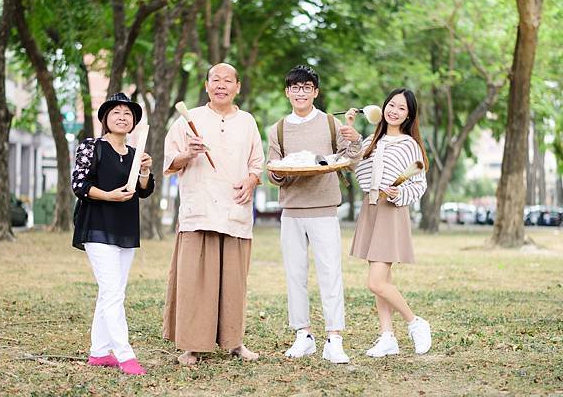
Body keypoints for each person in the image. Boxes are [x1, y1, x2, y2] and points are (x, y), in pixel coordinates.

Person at [162, 63, 264, 365]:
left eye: (227, 80)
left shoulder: (247, 121)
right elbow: (170, 161)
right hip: (200, 210)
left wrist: (251, 180)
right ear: (207, 86)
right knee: (195, 280)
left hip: (235, 210)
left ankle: (234, 342)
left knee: (234, 282)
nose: (221, 85)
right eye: (215, 80)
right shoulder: (188, 120)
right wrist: (188, 153)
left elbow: (256, 163)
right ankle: (192, 346)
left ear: (237, 87)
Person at [266, 65, 363, 364]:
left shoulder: (331, 124)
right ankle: (303, 335)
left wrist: (355, 140)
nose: (300, 92)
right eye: (295, 87)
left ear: (315, 92)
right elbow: (273, 169)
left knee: (330, 273)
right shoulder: (278, 128)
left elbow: (348, 159)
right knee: (295, 274)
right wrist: (282, 174)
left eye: (306, 87)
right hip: (292, 211)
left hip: (323, 209)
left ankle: (334, 338)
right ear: (287, 92)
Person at [72, 92, 155, 375]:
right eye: (116, 112)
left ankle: (98, 353)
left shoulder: (134, 155)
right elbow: (79, 184)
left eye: (128, 114)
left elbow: (144, 190)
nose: (122, 117)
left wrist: (145, 171)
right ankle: (124, 354)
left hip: (125, 228)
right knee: (112, 292)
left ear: (133, 123)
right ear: (106, 118)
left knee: (113, 292)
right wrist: (107, 196)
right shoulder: (91, 146)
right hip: (96, 226)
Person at [346, 88, 431, 357]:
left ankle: (415, 322)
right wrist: (352, 134)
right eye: (391, 105)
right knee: (383, 279)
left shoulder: (409, 145)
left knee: (376, 282)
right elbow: (353, 164)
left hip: (391, 212)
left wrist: (399, 193)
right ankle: (387, 337)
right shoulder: (372, 140)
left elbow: (418, 183)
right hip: (370, 209)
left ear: (408, 116)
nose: (394, 111)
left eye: (401, 108)